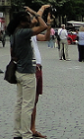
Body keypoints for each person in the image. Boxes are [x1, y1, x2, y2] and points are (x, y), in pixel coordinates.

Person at [7, 5, 48, 139]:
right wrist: (36, 13)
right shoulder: (23, 33)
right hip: (27, 71)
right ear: (23, 22)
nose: (31, 21)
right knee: (27, 104)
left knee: (19, 103)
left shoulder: (14, 33)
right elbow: (43, 26)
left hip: (18, 70)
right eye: (28, 19)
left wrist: (34, 13)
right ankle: (25, 133)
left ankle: (17, 132)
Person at [28, 8, 52, 139]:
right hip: (31, 68)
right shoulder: (24, 33)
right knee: (29, 101)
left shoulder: (32, 34)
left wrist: (49, 25)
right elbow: (38, 23)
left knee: (34, 100)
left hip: (37, 68)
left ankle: (32, 128)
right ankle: (27, 129)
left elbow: (46, 37)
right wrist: (40, 9)